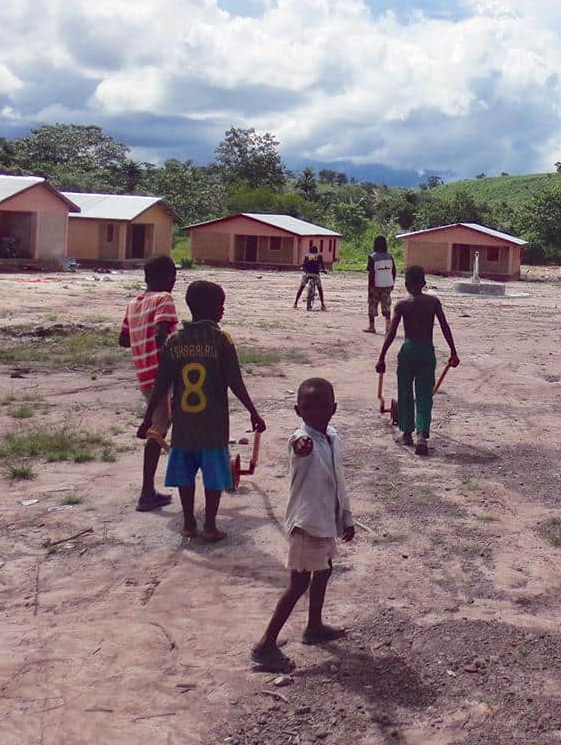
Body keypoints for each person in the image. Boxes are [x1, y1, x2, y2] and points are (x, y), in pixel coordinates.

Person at [144, 280, 266, 542]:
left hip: (185, 427)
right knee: (213, 478)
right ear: (207, 307)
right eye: (220, 305)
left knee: (185, 476)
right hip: (213, 427)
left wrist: (147, 421)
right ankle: (210, 524)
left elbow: (161, 385)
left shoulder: (174, 342)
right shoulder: (221, 340)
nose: (222, 310)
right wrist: (253, 412)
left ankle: (189, 522)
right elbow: (235, 382)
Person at [250, 376, 354, 673]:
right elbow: (299, 447)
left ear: (333, 409)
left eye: (322, 407)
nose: (315, 412)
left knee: (325, 570)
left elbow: (339, 482)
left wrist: (345, 517)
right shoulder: (301, 439)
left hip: (324, 521)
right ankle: (265, 645)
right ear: (298, 410)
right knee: (298, 584)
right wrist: (302, 443)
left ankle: (314, 625)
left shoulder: (333, 437)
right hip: (306, 524)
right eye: (308, 407)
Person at [374, 266, 458, 456]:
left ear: (406, 285)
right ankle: (421, 434)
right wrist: (453, 351)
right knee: (424, 394)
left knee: (405, 391)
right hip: (426, 350)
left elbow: (392, 332)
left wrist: (382, 357)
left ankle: (407, 433)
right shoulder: (433, 302)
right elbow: (445, 326)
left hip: (408, 350)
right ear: (424, 284)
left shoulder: (403, 305)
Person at [120, 255, 180, 513]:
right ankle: (146, 493)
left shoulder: (133, 304)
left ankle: (155, 486)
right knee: (159, 429)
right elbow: (160, 336)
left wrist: (139, 337)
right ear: (169, 279)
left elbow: (123, 340)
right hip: (161, 373)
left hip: (143, 373)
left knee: (164, 423)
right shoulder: (164, 299)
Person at [365, 235, 396, 334]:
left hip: (376, 284)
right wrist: (392, 282)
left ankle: (372, 326)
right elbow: (394, 270)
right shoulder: (390, 256)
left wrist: (370, 286)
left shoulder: (372, 257)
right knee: (386, 304)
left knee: (372, 304)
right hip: (388, 283)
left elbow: (371, 273)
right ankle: (388, 326)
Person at [294, 246, 326, 312]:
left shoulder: (307, 256)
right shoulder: (319, 256)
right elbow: (322, 265)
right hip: (315, 274)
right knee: (320, 289)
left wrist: (302, 268)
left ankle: (295, 303)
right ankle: (322, 304)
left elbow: (303, 265)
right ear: (317, 251)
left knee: (301, 287)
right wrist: (323, 270)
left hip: (306, 274)